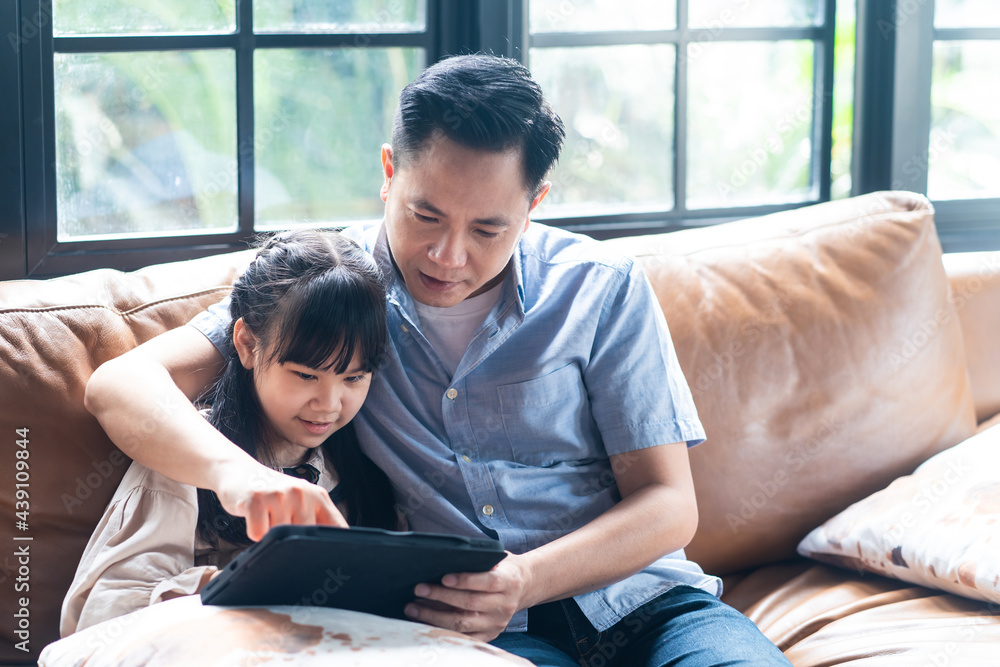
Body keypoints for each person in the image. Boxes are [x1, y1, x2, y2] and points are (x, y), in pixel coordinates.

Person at [84, 54, 791, 665]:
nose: (449, 257)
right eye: (425, 215)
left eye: (488, 227)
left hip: (649, 603)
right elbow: (121, 384)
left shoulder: (601, 289)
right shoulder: (337, 288)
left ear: (535, 202)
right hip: (468, 630)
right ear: (389, 173)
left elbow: (669, 506)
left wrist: (527, 578)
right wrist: (237, 476)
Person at [63, 230, 398, 636]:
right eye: (306, 375)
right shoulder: (186, 452)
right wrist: (253, 588)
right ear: (246, 344)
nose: (329, 404)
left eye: (354, 378)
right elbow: (105, 614)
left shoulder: (359, 473)